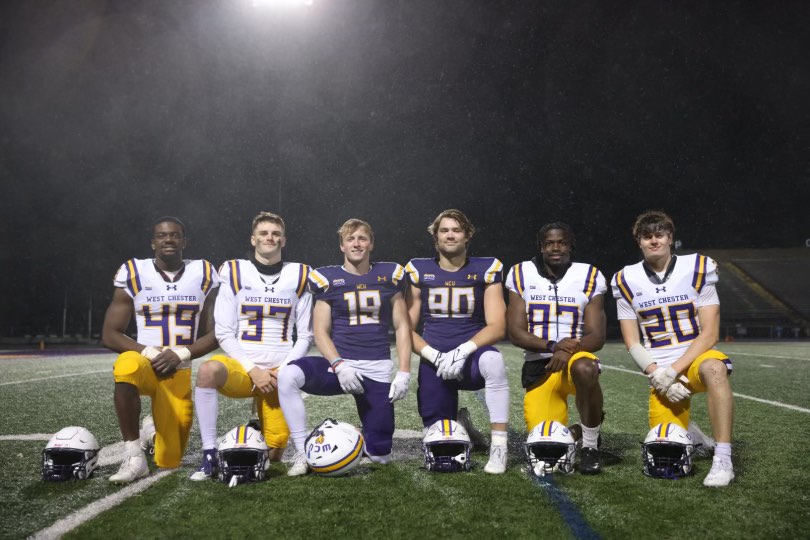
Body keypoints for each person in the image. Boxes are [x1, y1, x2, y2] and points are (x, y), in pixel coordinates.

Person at [277, 219, 412, 475]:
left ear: (371, 243)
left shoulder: (389, 275)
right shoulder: (327, 278)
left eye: (362, 238)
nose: (357, 243)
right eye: (350, 239)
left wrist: (404, 372)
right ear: (342, 245)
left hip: (376, 367)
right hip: (338, 366)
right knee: (288, 374)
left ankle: (355, 438)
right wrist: (339, 365)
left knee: (380, 456)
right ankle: (302, 451)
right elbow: (320, 331)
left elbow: (403, 326)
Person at [612, 210, 735, 487]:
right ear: (639, 242)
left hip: (695, 361)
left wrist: (673, 371)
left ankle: (723, 459)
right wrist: (658, 375)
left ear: (670, 238)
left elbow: (710, 333)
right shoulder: (625, 279)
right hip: (659, 372)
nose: (653, 241)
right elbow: (632, 341)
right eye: (647, 236)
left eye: (659, 235)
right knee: (665, 446)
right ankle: (696, 437)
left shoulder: (698, 267)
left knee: (716, 369)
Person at [190, 212, 313, 480]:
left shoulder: (300, 274)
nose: (270, 237)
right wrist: (253, 368)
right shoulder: (234, 271)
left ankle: (256, 429)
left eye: (275, 233)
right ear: (253, 238)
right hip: (244, 368)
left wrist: (285, 369)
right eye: (264, 233)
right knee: (207, 371)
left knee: (274, 453)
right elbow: (223, 331)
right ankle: (209, 453)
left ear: (283, 240)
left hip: (280, 373)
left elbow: (305, 335)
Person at [102, 217, 219, 483]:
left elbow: (216, 333)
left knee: (169, 459)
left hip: (178, 370)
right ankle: (132, 454)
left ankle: (151, 431)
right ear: (153, 242)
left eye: (175, 235)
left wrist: (182, 353)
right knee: (126, 365)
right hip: (146, 363)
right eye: (162, 235)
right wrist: (150, 353)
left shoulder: (204, 273)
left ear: (184, 242)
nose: (169, 240)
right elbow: (110, 334)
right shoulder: (133, 272)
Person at [405, 209, 510, 474]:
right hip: (435, 361)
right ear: (436, 237)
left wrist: (464, 350)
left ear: (467, 235)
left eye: (456, 230)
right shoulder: (420, 270)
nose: (450, 235)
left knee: (494, 361)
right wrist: (434, 355)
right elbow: (404, 328)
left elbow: (498, 326)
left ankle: (499, 447)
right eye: (444, 230)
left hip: (472, 357)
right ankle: (459, 423)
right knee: (439, 440)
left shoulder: (485, 269)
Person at [505, 222, 606, 474]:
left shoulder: (589, 275)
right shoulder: (520, 273)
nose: (556, 247)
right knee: (546, 446)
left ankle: (590, 447)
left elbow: (598, 335)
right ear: (541, 247)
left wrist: (566, 350)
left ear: (571, 244)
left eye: (561, 242)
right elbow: (515, 332)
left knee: (585, 367)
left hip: (575, 361)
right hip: (540, 366)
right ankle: (580, 429)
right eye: (549, 243)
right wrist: (553, 346)